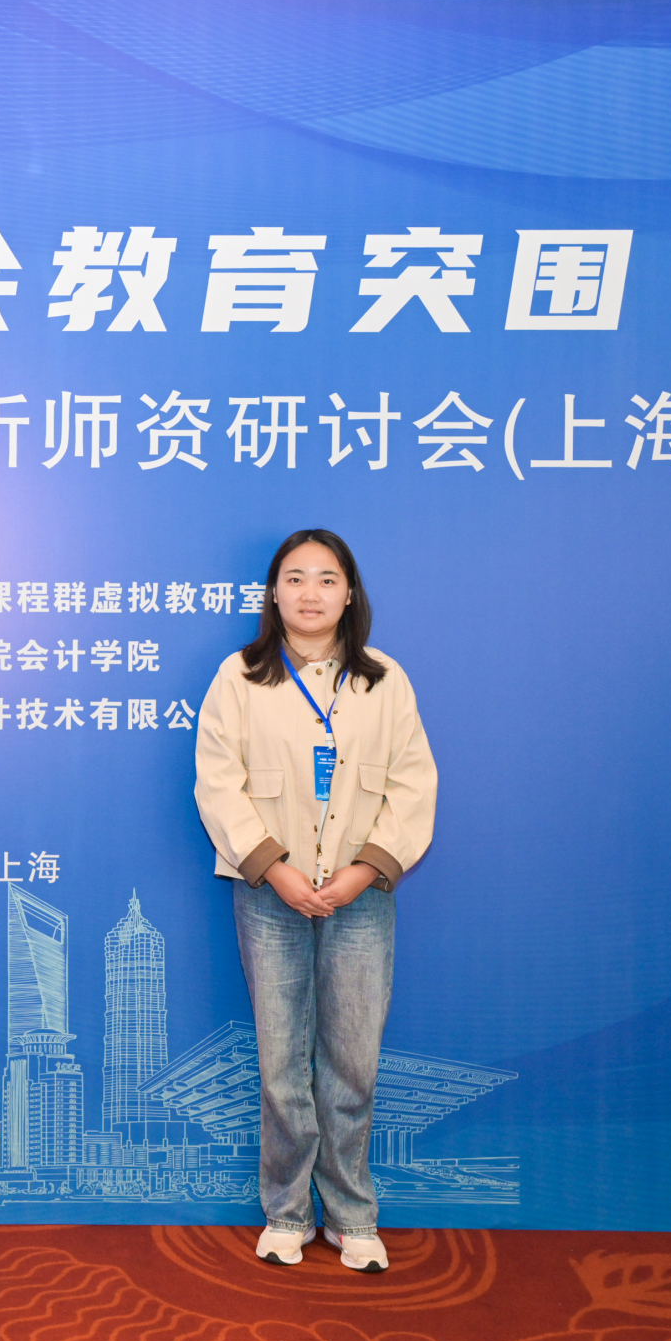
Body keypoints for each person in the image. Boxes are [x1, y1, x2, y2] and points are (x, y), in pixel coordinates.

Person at [194, 529, 436, 1273]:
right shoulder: (240, 676)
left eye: (326, 579)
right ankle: (288, 1213)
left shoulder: (384, 679)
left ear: (349, 593)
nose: (310, 593)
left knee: (352, 1060)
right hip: (271, 893)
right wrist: (274, 869)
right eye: (294, 578)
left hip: (360, 895)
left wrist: (365, 870)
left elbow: (413, 784)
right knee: (281, 1063)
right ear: (274, 594)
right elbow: (218, 782)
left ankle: (353, 1215)